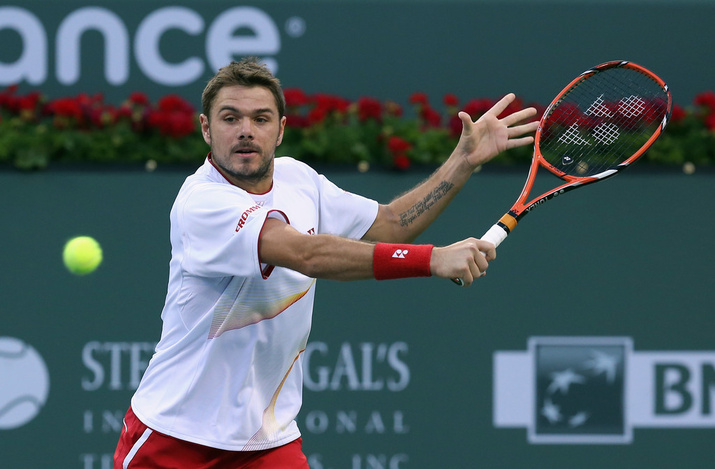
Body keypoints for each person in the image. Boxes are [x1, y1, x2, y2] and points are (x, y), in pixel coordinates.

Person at [113, 57, 538, 468]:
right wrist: (433, 259)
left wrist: (462, 162)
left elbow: (390, 224)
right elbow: (306, 254)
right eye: (230, 118)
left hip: (266, 441)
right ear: (206, 129)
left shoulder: (299, 179)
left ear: (280, 130)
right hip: (175, 439)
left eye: (260, 119)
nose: (245, 131)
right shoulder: (201, 203)